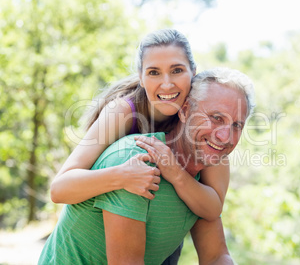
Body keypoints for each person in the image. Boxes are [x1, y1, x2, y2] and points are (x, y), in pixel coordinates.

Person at [39, 67, 255, 265]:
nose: (225, 136)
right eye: (216, 118)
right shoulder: (136, 161)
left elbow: (216, 256)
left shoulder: (202, 178)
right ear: (185, 110)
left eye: (237, 125)